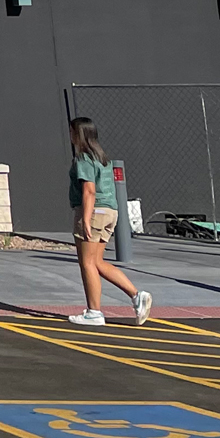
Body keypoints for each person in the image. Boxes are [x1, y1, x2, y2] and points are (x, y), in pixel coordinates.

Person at [67, 117, 151, 327]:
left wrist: (85, 219)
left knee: (86, 263)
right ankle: (137, 295)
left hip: (93, 212)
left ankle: (94, 312)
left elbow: (89, 190)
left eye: (72, 132)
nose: (70, 136)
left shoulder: (83, 159)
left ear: (78, 134)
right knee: (97, 262)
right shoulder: (102, 158)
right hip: (109, 212)